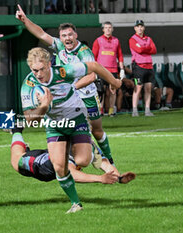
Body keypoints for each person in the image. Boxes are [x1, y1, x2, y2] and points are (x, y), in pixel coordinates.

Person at [16, 5, 119, 172]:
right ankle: (79, 161)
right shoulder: (60, 47)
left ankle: (109, 161)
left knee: (97, 131)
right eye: (64, 35)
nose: (67, 38)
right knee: (72, 127)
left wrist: (71, 86)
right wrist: (25, 21)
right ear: (61, 38)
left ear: (75, 35)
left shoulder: (84, 52)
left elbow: (92, 75)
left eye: (70, 34)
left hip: (87, 95)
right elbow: (41, 33)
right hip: (68, 98)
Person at [21, 47, 121, 213]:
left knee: (82, 160)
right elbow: (30, 120)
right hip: (55, 125)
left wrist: (114, 82)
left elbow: (94, 66)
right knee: (59, 167)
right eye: (34, 70)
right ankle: (76, 204)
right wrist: (44, 106)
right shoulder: (29, 85)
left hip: (76, 118)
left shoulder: (63, 72)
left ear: (49, 64)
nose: (38, 74)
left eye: (42, 69)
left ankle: (86, 146)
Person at [10, 127, 136, 184]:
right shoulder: (68, 146)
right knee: (17, 160)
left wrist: (119, 177)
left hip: (51, 158)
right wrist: (100, 179)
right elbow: (71, 174)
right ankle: (16, 130)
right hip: (41, 165)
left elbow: (105, 165)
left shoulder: (89, 144)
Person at [92, 21, 125, 117]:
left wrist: (122, 69)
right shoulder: (98, 40)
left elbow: (120, 55)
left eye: (110, 27)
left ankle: (111, 110)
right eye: (106, 28)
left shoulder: (116, 41)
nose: (108, 29)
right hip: (101, 69)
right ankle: (100, 110)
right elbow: (93, 56)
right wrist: (94, 69)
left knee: (113, 91)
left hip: (113, 69)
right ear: (103, 29)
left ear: (112, 29)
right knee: (100, 91)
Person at [129, 19, 157, 117]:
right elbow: (139, 50)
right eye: (138, 27)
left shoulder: (148, 38)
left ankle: (147, 110)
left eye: (141, 26)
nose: (140, 28)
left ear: (144, 28)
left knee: (148, 88)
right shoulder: (132, 39)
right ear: (135, 28)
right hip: (138, 66)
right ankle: (135, 110)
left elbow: (154, 50)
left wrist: (144, 48)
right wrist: (147, 48)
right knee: (138, 88)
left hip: (149, 66)